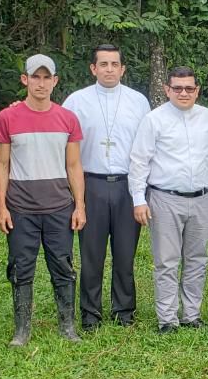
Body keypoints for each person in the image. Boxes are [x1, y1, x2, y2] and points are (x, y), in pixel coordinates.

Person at [0, 54, 86, 345]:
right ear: (25, 80)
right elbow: (2, 165)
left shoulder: (67, 118)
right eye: (35, 77)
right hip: (21, 208)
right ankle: (22, 330)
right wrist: (1, 206)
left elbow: (73, 165)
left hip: (59, 206)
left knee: (63, 266)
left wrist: (79, 205)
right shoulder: (8, 117)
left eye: (47, 78)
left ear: (55, 81)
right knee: (21, 268)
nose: (41, 83)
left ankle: (67, 326)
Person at [62, 44, 150, 330]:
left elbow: (146, 146)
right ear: (93, 68)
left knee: (125, 253)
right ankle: (90, 314)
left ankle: (124, 311)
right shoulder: (76, 101)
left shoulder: (138, 102)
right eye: (103, 64)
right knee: (92, 254)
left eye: (115, 64)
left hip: (127, 184)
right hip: (92, 184)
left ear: (123, 69)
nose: (109, 69)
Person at [128, 66, 208, 334]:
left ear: (197, 90)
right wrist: (138, 199)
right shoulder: (154, 120)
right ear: (167, 89)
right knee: (166, 261)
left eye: (189, 88)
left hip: (201, 200)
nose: (183, 93)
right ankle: (167, 319)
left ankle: (191, 315)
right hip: (165, 199)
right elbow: (139, 160)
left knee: (197, 259)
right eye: (177, 88)